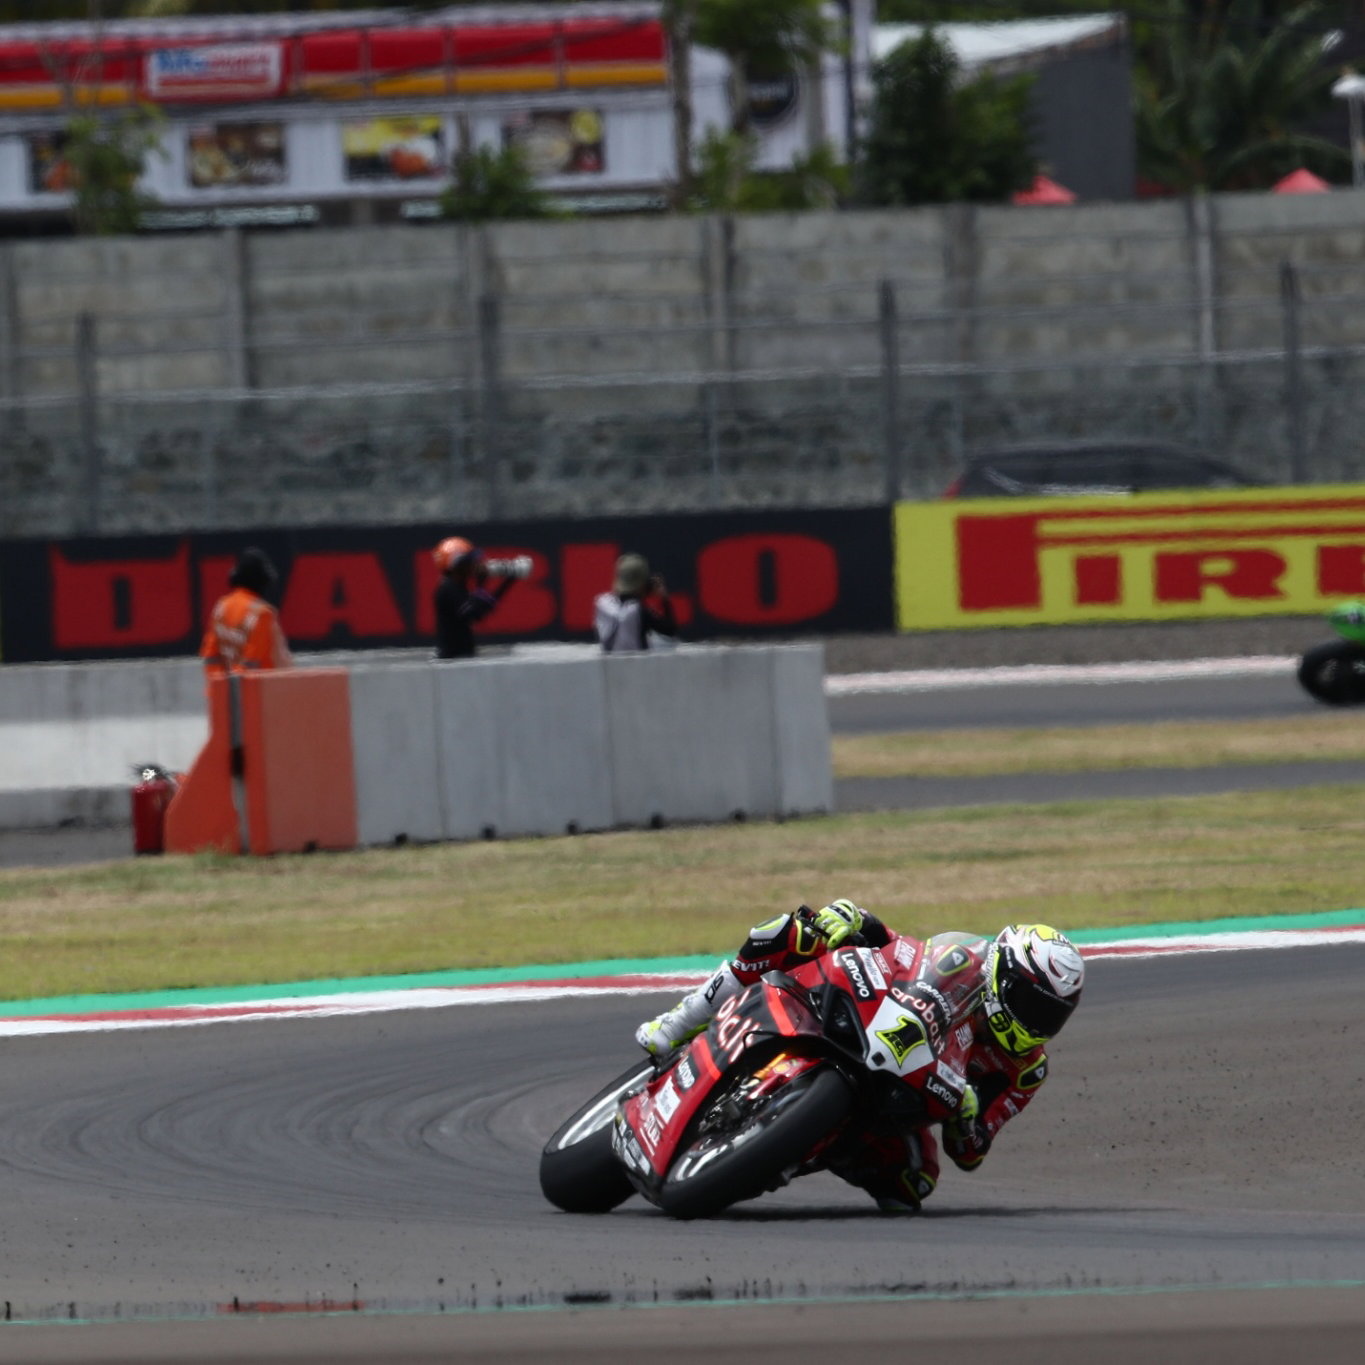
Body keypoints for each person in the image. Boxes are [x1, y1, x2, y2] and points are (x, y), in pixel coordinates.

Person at [634, 902, 1084, 1213]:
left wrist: (968, 1120)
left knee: (913, 1185)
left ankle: (793, 1149)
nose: (1038, 1022)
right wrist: (854, 918)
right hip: (868, 1020)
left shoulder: (1027, 1071)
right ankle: (679, 1022)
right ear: (1003, 978)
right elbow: (901, 949)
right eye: (1031, 1003)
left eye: (1052, 1015)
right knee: (790, 932)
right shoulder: (966, 959)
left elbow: (971, 1152)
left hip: (909, 1096)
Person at [200, 547, 292, 677]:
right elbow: (252, 664)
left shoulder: (221, 607)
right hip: (258, 692)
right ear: (263, 581)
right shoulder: (262, 614)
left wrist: (220, 688)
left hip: (222, 692)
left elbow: (210, 656)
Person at [432, 536, 518, 660]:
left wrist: (508, 581)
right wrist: (481, 585)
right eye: (469, 562)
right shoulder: (449, 589)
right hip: (451, 659)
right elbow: (475, 614)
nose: (474, 565)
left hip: (461, 656)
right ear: (458, 565)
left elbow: (482, 609)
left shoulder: (458, 586)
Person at [594, 553, 678, 653]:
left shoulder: (602, 603)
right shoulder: (639, 610)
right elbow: (670, 630)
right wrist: (664, 599)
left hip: (608, 665)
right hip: (637, 666)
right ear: (643, 582)